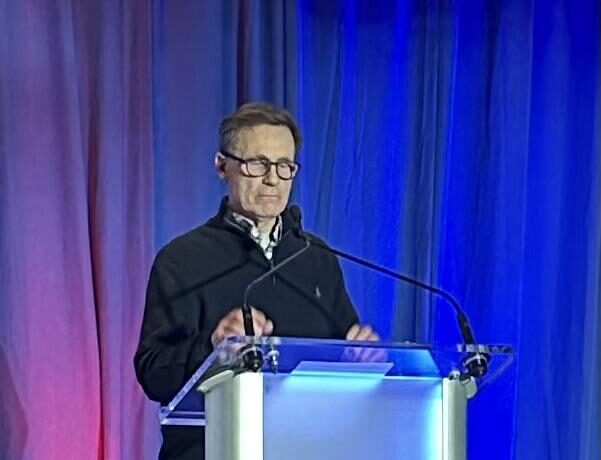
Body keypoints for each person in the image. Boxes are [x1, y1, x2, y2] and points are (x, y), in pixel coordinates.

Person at [134, 102, 379, 460]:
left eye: (284, 166)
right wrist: (213, 348)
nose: (272, 179)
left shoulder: (315, 256)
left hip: (307, 448)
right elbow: (153, 373)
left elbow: (342, 353)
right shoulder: (181, 259)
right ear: (222, 166)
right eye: (258, 164)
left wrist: (362, 360)